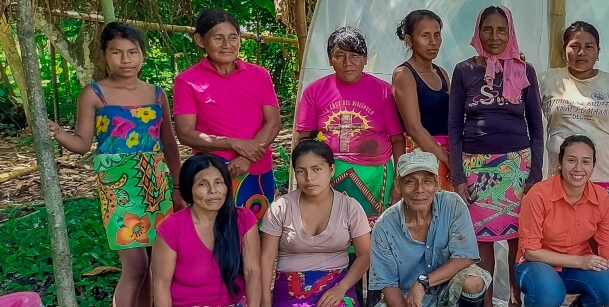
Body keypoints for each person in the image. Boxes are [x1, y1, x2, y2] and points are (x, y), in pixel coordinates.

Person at [48, 22, 182, 307]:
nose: (125, 60)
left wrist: (178, 186)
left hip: (156, 185)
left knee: (156, 264)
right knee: (135, 267)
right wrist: (57, 132)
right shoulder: (94, 94)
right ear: (104, 55)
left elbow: (169, 144)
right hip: (118, 189)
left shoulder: (157, 94)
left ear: (142, 54)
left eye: (132, 52)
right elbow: (82, 143)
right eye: (116, 53)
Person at [448, 5, 544, 307]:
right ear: (478, 32)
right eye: (487, 29)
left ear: (510, 32)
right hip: (475, 168)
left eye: (502, 30)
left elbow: (536, 125)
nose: (494, 36)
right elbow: (454, 127)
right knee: (481, 241)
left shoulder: (524, 70)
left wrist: (535, 172)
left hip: (517, 167)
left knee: (519, 240)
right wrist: (458, 176)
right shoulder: (463, 71)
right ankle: (486, 302)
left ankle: (516, 300)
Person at [175, 9, 282, 222]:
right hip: (212, 175)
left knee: (260, 231)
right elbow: (185, 133)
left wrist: (246, 157)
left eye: (233, 37)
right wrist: (233, 143)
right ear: (200, 40)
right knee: (216, 233)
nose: (227, 45)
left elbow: (273, 122)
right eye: (218, 38)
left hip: (258, 170)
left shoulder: (259, 75)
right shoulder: (187, 80)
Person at [296, 26, 405, 223]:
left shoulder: (384, 91)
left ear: (365, 59)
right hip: (326, 177)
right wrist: (305, 179)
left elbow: (397, 140)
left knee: (374, 234)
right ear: (330, 59)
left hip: (375, 178)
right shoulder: (314, 91)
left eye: (355, 55)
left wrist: (399, 180)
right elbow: (303, 140)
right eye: (340, 56)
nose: (348, 63)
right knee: (330, 231)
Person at [538, 21, 609, 218]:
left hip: (606, 176)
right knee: (564, 234)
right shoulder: (547, 80)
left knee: (604, 235)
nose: (581, 52)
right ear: (564, 50)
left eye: (589, 47)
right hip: (562, 177)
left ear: (598, 52)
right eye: (575, 46)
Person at [514, 135, 609, 307]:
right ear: (560, 162)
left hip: (576, 268)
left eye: (586, 162)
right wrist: (580, 261)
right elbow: (531, 252)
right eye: (571, 160)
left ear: (593, 166)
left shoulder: (601, 198)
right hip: (537, 265)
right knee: (549, 292)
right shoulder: (538, 195)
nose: (578, 168)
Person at [370, 151, 492, 307]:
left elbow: (464, 257)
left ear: (437, 184)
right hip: (408, 298)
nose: (419, 189)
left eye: (427, 181)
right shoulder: (384, 226)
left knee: (473, 282)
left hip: (449, 292)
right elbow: (388, 284)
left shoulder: (452, 205)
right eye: (410, 182)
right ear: (398, 185)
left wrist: (423, 282)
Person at [260, 139, 372, 306]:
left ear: (331, 170)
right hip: (289, 289)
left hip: (337, 286)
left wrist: (341, 289)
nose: (309, 178)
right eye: (301, 171)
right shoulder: (281, 207)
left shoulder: (350, 207)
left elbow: (365, 255)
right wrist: (264, 302)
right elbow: (266, 258)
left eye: (317, 169)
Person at [152, 154, 263, 307]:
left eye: (218, 182)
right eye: (203, 184)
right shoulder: (172, 227)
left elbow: (252, 271)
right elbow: (161, 286)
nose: (213, 191)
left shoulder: (243, 219)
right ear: (189, 188)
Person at [393, 10, 455, 193]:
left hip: (447, 155)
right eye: (425, 36)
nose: (433, 42)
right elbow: (414, 128)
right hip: (421, 158)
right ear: (409, 40)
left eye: (437, 35)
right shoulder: (404, 74)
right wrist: (446, 158)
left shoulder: (441, 73)